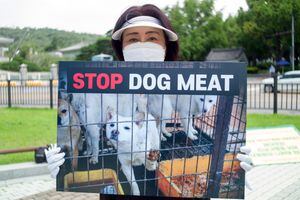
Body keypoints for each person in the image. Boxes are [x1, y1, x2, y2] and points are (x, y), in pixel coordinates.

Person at [45, 3, 253, 190]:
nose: (142, 45)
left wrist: (241, 170)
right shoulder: (106, 84)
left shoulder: (182, 80)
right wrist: (59, 169)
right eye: (133, 39)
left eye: (152, 38)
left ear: (165, 46)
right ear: (122, 48)